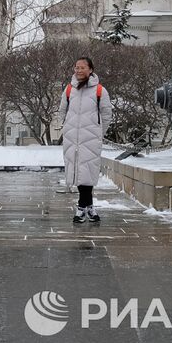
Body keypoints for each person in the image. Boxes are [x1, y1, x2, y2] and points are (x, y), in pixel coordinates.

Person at [59, 56, 113, 224]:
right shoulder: (69, 90)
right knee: (79, 171)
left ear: (90, 70)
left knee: (87, 171)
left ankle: (81, 208)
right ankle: (89, 207)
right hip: (72, 138)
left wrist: (99, 133)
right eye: (77, 67)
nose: (79, 70)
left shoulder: (100, 91)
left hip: (91, 138)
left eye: (82, 67)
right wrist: (67, 127)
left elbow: (106, 114)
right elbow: (62, 111)